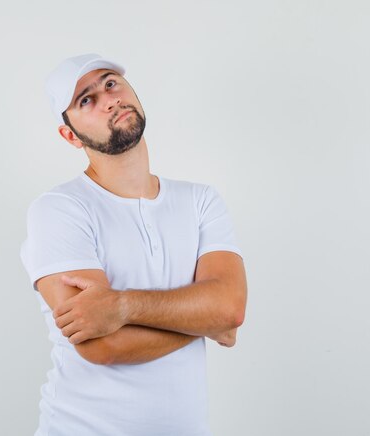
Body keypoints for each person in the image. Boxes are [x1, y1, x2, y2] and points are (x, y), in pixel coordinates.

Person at [19, 53, 248, 436]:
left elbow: (229, 311)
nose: (109, 99)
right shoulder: (58, 210)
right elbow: (102, 347)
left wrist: (122, 305)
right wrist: (206, 321)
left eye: (111, 83)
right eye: (86, 100)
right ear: (70, 135)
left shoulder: (200, 201)